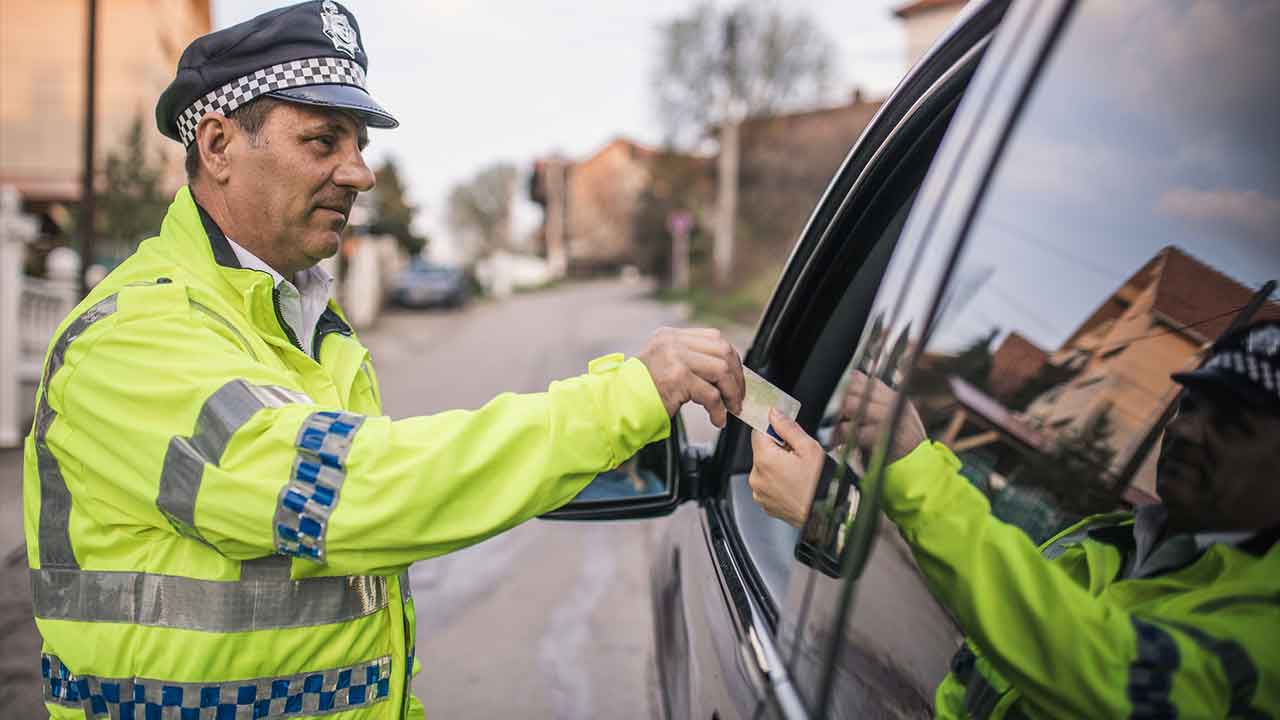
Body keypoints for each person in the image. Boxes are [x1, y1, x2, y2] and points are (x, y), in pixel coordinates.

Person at [25, 3, 745, 719]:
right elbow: (349, 496)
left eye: (358, 144)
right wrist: (624, 399)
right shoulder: (133, 337)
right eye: (322, 140)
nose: (360, 173)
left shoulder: (311, 330)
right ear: (217, 145)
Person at [748, 321, 1280, 717]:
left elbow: (1100, 665)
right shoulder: (1107, 542)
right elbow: (987, 582)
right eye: (1190, 407)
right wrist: (844, 499)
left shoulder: (1265, 625)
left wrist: (913, 471)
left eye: (1232, 422)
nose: (1189, 431)